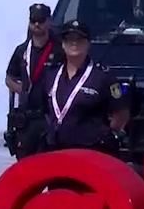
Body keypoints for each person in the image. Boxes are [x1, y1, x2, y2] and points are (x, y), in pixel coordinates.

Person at [37, 20, 131, 154]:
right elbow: (45, 111)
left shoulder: (104, 77)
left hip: (91, 151)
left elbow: (121, 113)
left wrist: (103, 134)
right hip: (56, 150)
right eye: (69, 39)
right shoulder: (51, 75)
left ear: (88, 43)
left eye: (79, 39)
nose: (74, 43)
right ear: (63, 44)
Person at [4, 3, 64, 158]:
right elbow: (9, 78)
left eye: (41, 20)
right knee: (25, 168)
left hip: (49, 116)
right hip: (27, 119)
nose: (37, 24)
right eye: (34, 20)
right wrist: (23, 91)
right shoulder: (22, 50)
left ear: (49, 21)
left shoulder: (59, 50)